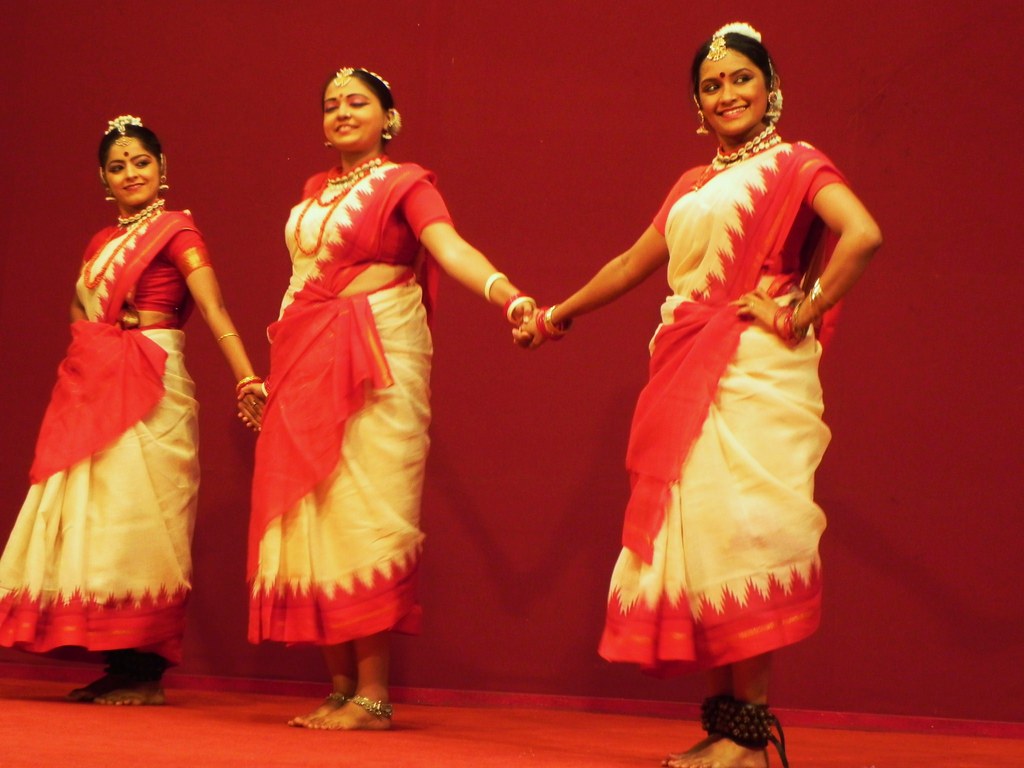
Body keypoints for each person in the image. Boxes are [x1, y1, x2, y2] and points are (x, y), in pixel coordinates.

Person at [517, 23, 882, 768]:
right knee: (707, 541)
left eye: (742, 79)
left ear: (771, 88)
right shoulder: (690, 185)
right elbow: (631, 262)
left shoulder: (798, 163)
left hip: (751, 371)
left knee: (744, 534)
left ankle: (748, 734)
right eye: (712, 86)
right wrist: (559, 314)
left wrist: (798, 309)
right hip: (684, 362)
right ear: (697, 103)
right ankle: (726, 729)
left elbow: (863, 234)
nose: (728, 94)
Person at [243, 67, 534, 731]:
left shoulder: (406, 184)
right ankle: (341, 687)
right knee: (316, 512)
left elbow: (447, 247)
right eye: (331, 105)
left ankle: (373, 695)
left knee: (364, 509)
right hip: (306, 356)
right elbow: (300, 284)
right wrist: (273, 368)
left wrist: (507, 294)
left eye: (357, 102)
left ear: (388, 117)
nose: (342, 112)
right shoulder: (314, 191)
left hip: (376, 359)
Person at [0, 116, 263, 706]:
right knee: (100, 519)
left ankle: (147, 671)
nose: (131, 174)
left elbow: (214, 309)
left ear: (162, 169)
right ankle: (120, 664)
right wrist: (94, 340)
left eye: (141, 162)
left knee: (144, 520)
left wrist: (245, 374)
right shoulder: (100, 244)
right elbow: (77, 302)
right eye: (118, 167)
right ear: (103, 179)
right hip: (100, 382)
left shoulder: (177, 234)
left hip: (155, 380)